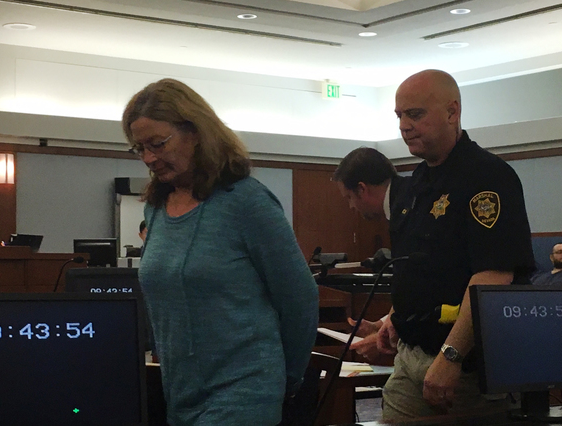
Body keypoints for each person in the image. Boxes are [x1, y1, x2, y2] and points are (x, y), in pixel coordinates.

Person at [122, 78, 319, 426]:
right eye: (140, 148)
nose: (149, 158)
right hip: (180, 393)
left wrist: (285, 379)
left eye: (158, 144)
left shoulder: (246, 201)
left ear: (196, 133)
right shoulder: (156, 207)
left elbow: (299, 298)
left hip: (245, 391)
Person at [376, 69, 535, 420]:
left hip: (464, 369)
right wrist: (396, 316)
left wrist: (452, 355)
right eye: (399, 115)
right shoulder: (417, 182)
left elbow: (493, 276)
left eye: (415, 114)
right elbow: (419, 266)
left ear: (452, 112)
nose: (404, 126)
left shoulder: (487, 177)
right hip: (411, 356)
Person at [333, 147, 409, 363]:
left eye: (349, 197)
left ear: (361, 189)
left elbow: (425, 284)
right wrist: (382, 324)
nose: (351, 206)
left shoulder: (408, 210)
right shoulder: (402, 201)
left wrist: (381, 337)